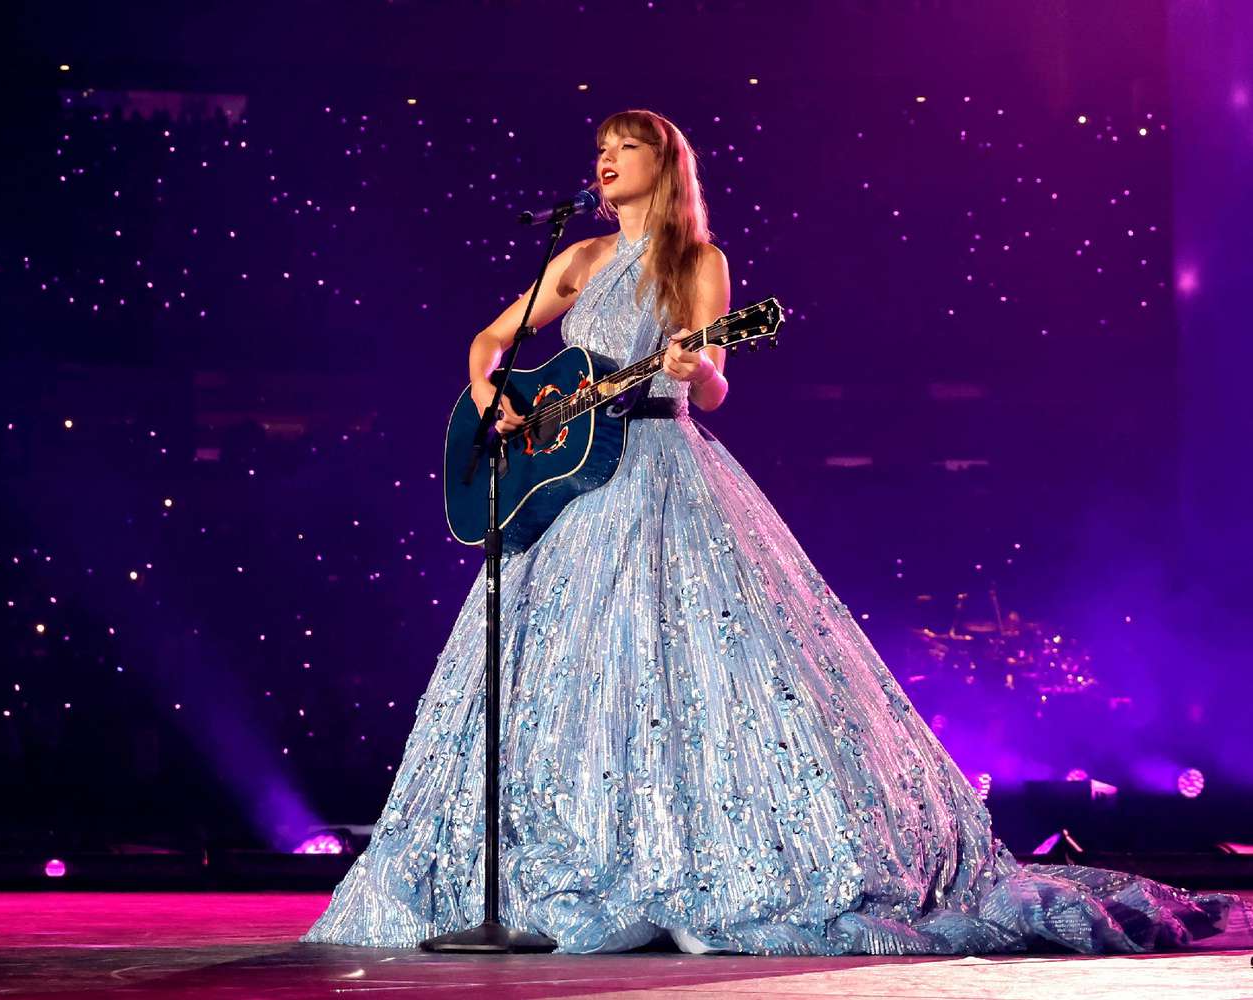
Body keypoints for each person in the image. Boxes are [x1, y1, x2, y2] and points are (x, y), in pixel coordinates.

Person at [301, 109, 1241, 954]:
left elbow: (713, 383)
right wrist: (489, 395)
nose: (604, 163)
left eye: (622, 150)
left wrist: (695, 365)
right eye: (597, 151)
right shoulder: (577, 258)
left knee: (693, 660)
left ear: (664, 166)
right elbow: (490, 339)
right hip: (567, 488)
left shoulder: (697, 263)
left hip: (661, 466)